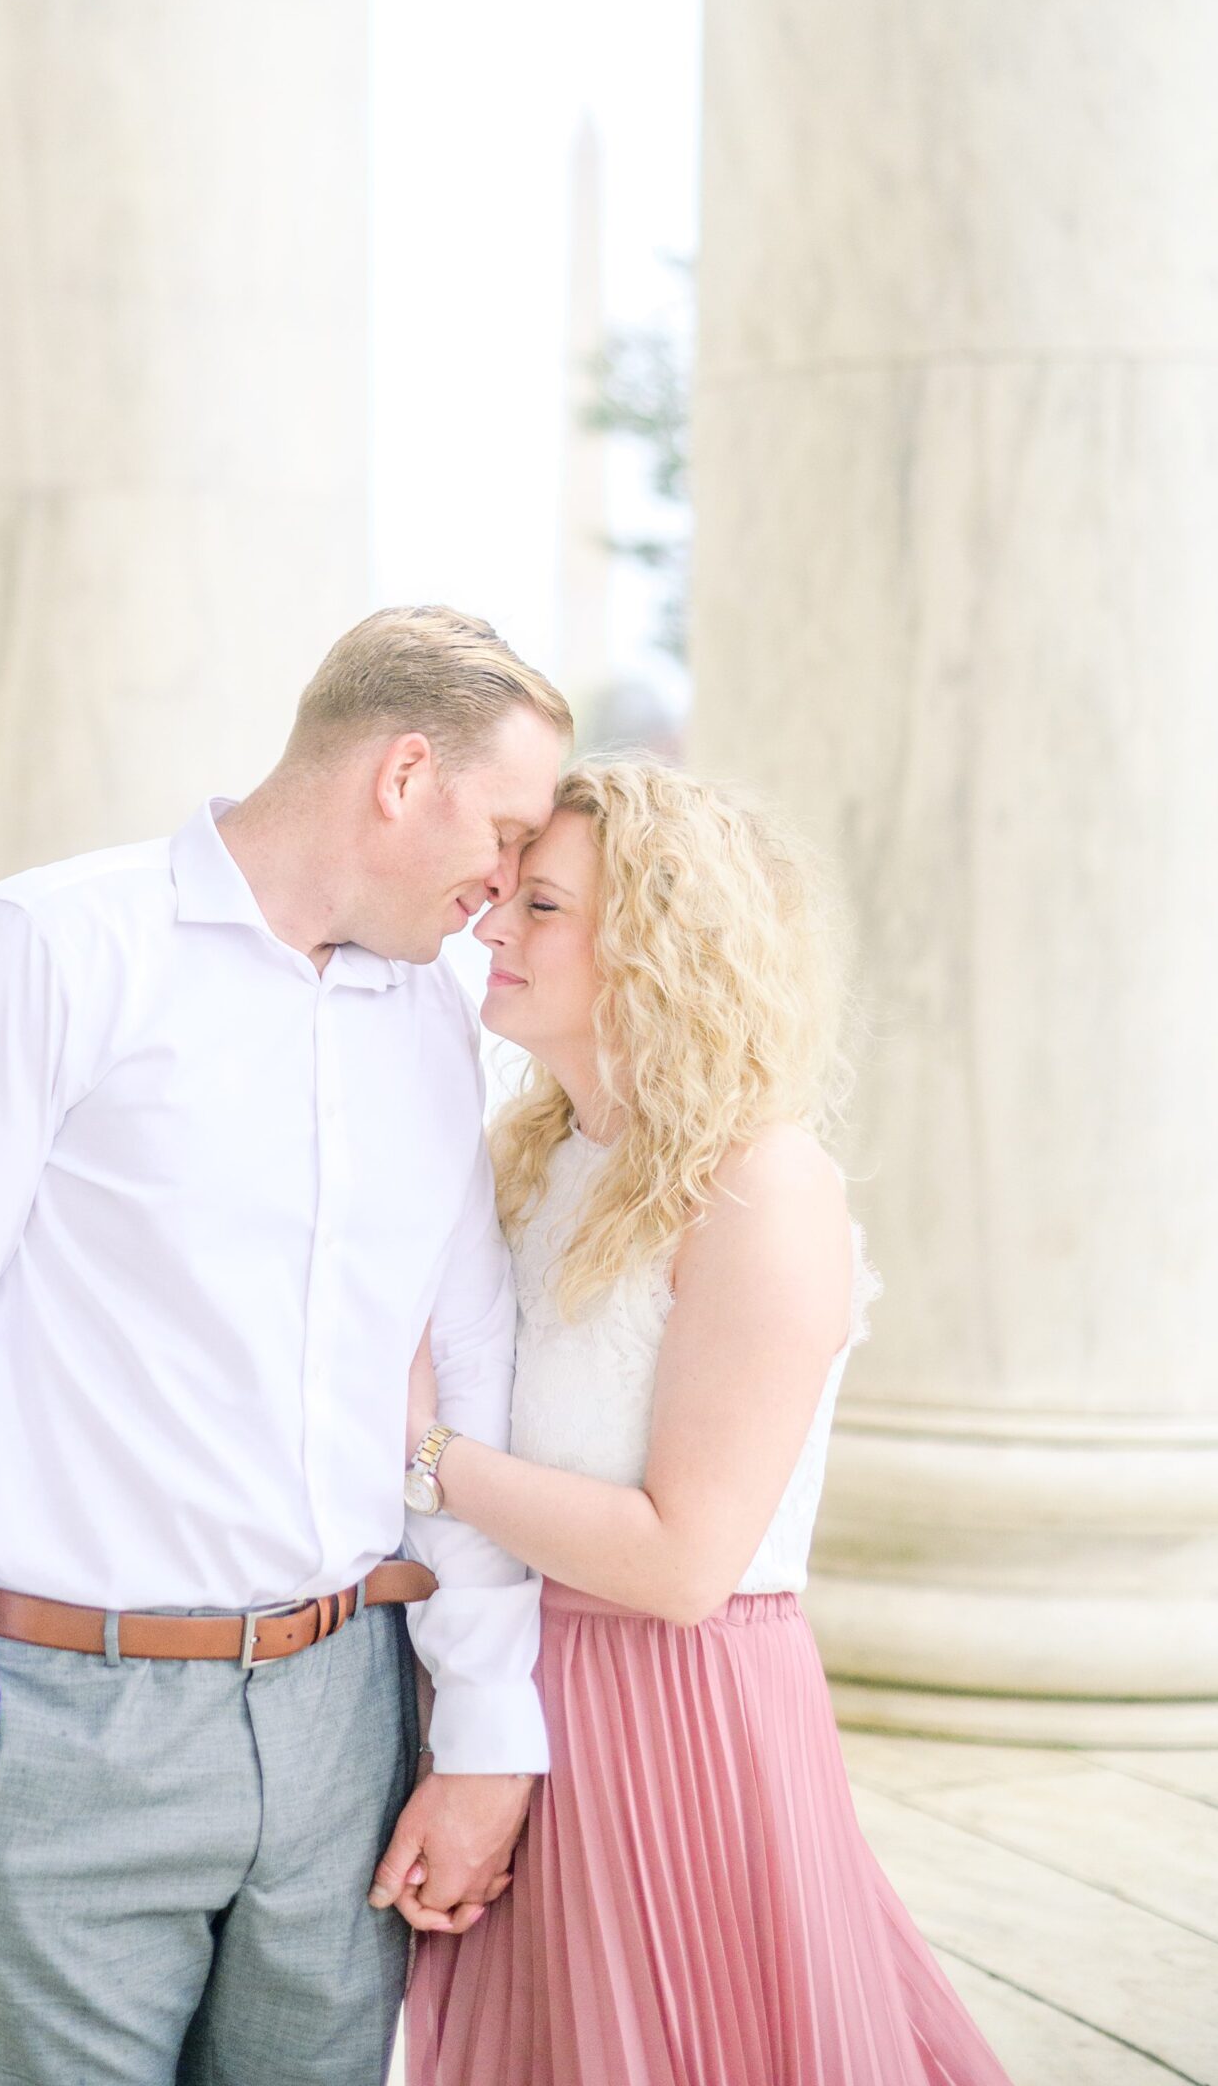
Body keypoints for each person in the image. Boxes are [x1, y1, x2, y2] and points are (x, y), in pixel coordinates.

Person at [0, 606, 570, 2086]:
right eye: (508, 829)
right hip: (59, 1730)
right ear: (405, 775)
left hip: (350, 1719)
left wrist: (485, 1724)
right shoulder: (42, 948)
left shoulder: (426, 1020)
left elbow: (467, 1366)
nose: (507, 888)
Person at [393, 757, 1013, 2086]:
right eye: (500, 897)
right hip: (518, 1698)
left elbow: (685, 1564)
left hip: (674, 1718)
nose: (491, 927)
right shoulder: (536, 1161)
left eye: (542, 906)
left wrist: (430, 1456)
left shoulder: (761, 1185)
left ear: (658, 941)